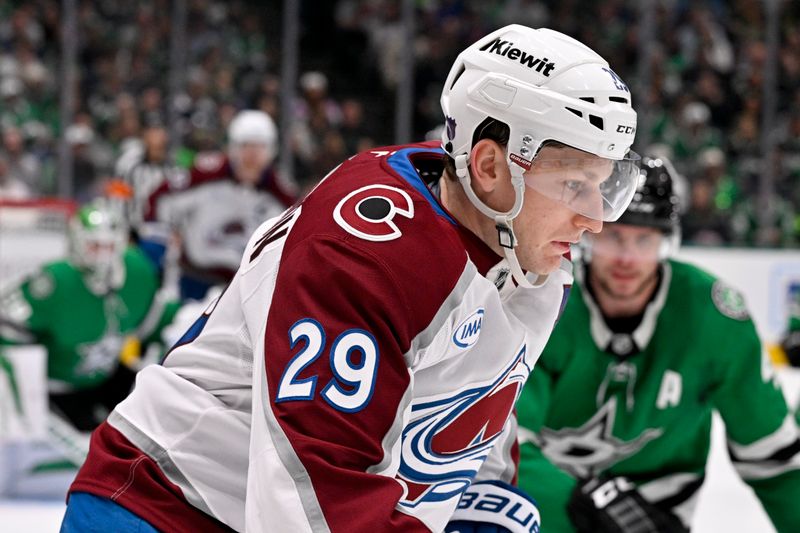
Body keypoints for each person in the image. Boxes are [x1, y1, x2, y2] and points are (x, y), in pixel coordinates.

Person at [62, 25, 641, 532]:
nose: (594, 218)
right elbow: (314, 492)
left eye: (605, 185)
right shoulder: (365, 254)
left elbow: (468, 409)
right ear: (491, 167)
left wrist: (485, 503)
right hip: (165, 508)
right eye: (573, 185)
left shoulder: (530, 253)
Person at [516, 156, 800, 532]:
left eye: (645, 240)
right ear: (590, 231)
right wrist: (576, 503)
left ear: (667, 242)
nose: (627, 258)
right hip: (545, 513)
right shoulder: (542, 299)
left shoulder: (712, 318)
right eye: (614, 235)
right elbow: (503, 442)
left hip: (656, 516)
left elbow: (774, 458)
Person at [0, 198, 181, 497]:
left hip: (106, 379)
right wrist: (23, 389)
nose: (102, 257)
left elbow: (159, 325)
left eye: (109, 246)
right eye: (94, 246)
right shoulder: (53, 282)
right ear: (76, 244)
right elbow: (6, 327)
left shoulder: (137, 272)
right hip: (57, 389)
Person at [147, 109, 296, 300]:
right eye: (245, 146)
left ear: (271, 150)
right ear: (233, 147)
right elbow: (160, 200)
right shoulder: (206, 174)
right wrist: (166, 234)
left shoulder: (280, 192)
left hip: (247, 287)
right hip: (195, 279)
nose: (251, 156)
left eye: (259, 148)